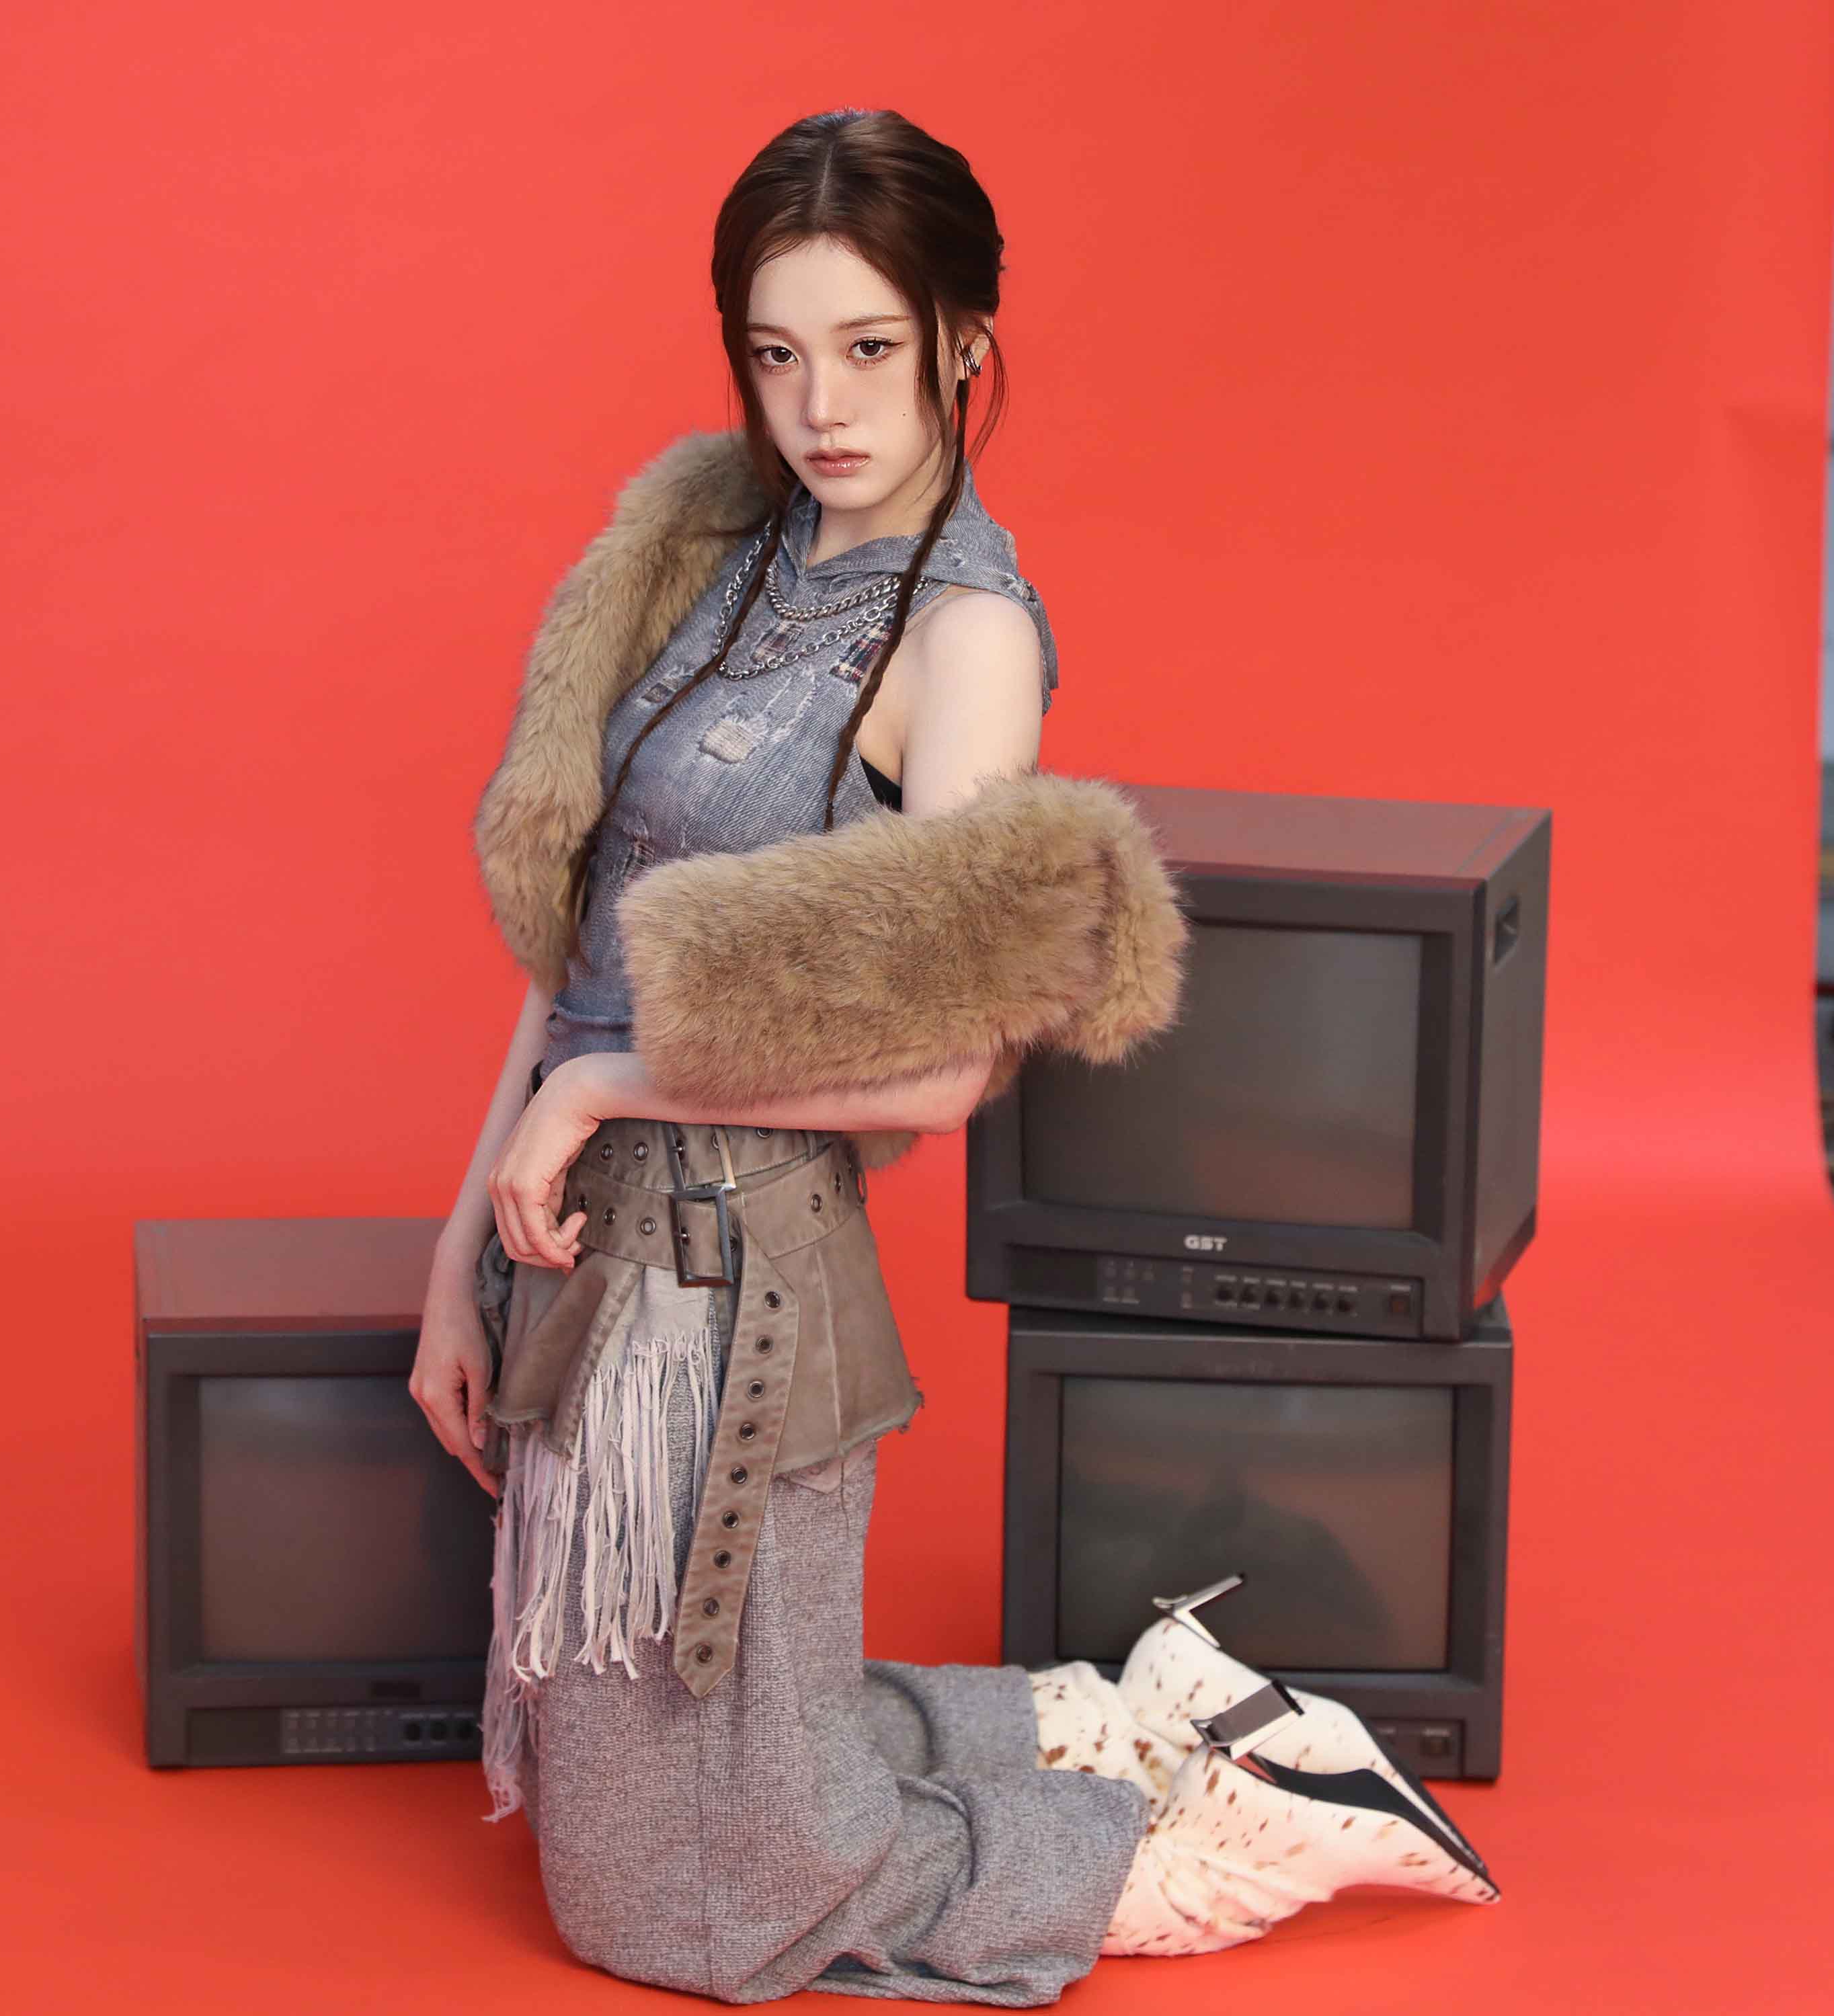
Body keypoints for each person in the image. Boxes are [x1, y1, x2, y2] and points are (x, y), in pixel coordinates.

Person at [407, 107, 1497, 2005]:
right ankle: (1107, 1714)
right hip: (583, 1270)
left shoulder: (967, 636)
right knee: (666, 1814)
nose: (820, 406)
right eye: (776, 353)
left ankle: (1222, 1834)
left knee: (690, 1906)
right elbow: (583, 935)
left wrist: (601, 1093)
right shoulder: (716, 554)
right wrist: (455, 1259)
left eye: (868, 348)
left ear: (962, 341)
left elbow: (938, 1075)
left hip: (734, 1295)